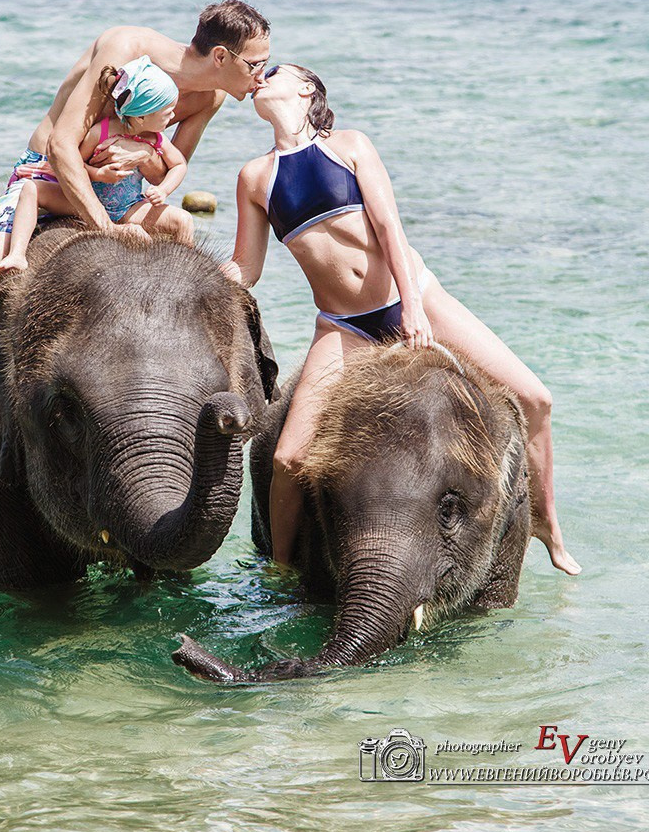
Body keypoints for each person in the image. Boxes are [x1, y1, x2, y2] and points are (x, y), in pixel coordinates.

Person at [0, 0, 271, 513]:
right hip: (47, 180)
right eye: (256, 65)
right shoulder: (125, 48)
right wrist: (105, 228)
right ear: (223, 56)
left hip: (120, 193)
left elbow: (168, 169)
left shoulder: (211, 98)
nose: (262, 77)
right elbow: (61, 147)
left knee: (177, 258)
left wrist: (143, 155)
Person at [220, 63, 581, 576]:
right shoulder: (255, 177)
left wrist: (412, 307)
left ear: (305, 89)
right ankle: (280, 569)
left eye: (274, 71)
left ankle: (546, 524)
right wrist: (195, 271)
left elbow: (390, 227)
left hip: (415, 296)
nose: (261, 76)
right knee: (288, 459)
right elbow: (247, 267)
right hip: (342, 325)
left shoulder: (349, 146)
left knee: (536, 398)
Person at [0, 56, 193, 277]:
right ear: (142, 116)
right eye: (167, 112)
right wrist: (99, 174)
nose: (173, 116)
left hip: (128, 207)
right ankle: (17, 254)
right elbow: (73, 165)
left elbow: (179, 165)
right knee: (31, 189)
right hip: (86, 203)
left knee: (183, 220)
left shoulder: (156, 138)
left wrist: (163, 190)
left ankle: (185, 274)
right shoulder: (101, 132)